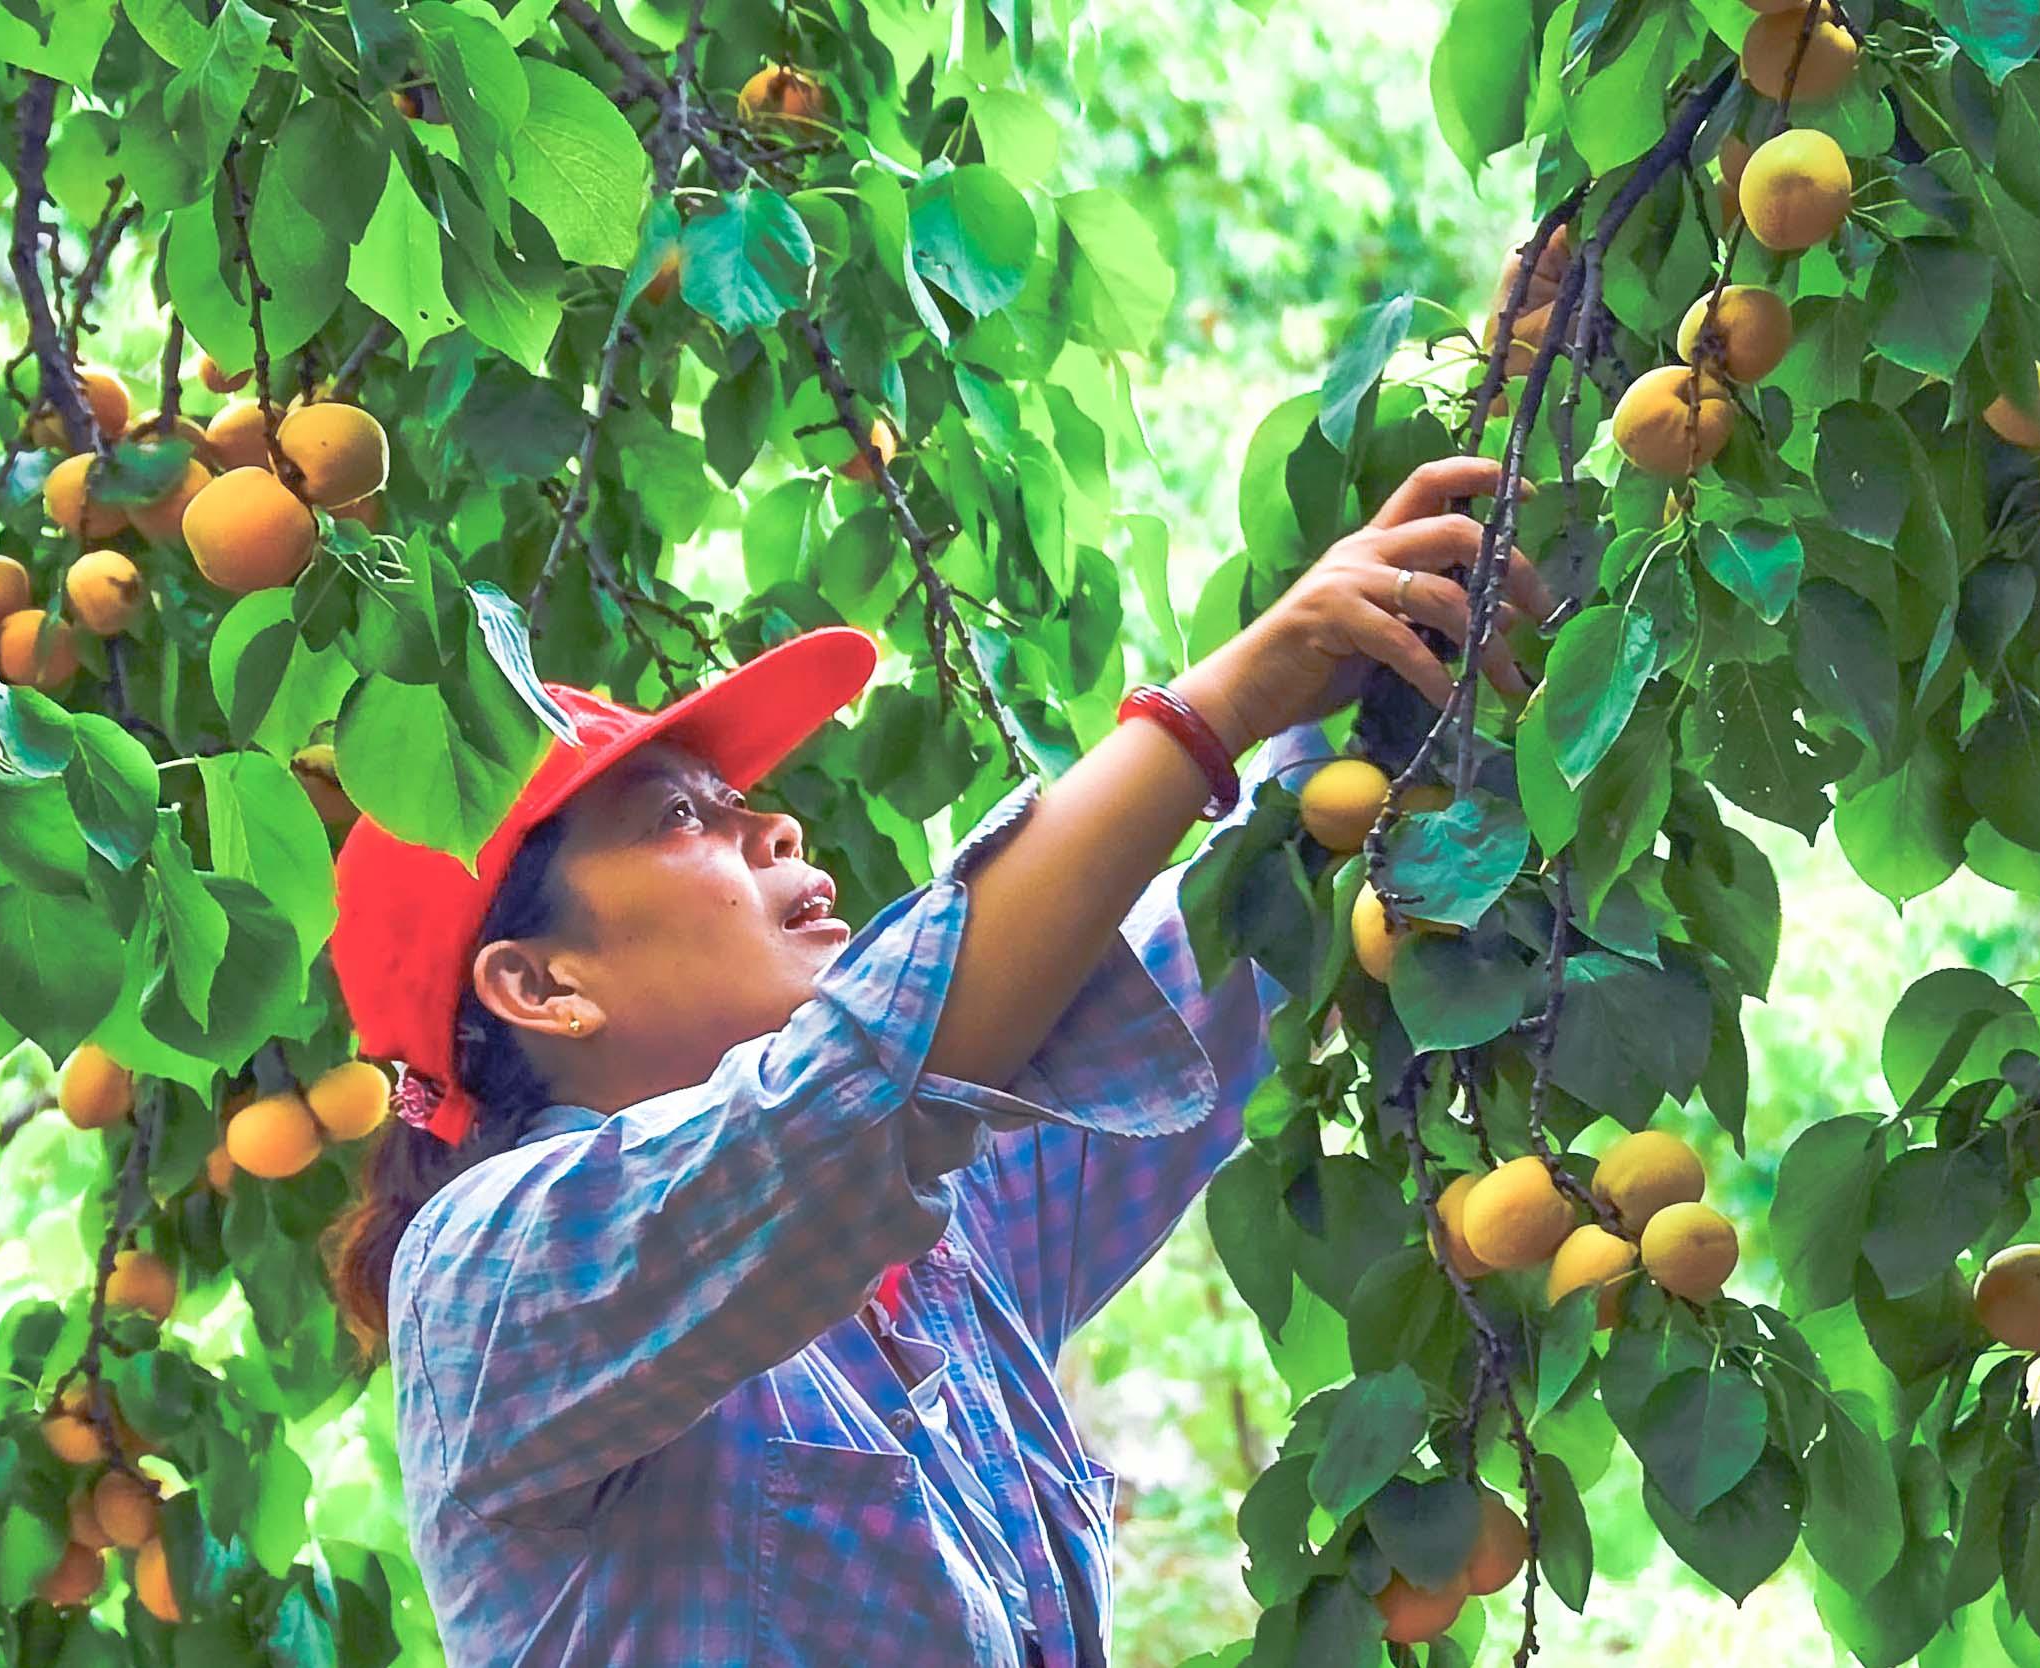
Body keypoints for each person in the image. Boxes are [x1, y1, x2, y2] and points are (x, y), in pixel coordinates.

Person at [321, 447, 1550, 1666]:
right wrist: (1210, 709)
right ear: (542, 986)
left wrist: (1508, 432)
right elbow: (858, 1083)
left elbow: (1238, 928)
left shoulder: (944, 1234)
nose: (775, 821)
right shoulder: (488, 1285)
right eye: (682, 817)